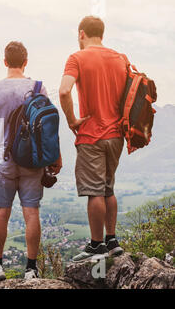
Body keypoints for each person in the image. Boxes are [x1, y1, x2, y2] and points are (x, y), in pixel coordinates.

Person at [0, 41, 62, 281]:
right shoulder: (38, 88)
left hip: (3, 161)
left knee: (1, 214)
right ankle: (31, 269)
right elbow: (49, 128)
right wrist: (55, 156)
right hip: (32, 161)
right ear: (26, 62)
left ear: (4, 61)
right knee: (31, 213)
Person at [59, 16, 126, 262]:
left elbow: (65, 90)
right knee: (109, 188)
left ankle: (97, 246)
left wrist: (71, 119)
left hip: (91, 134)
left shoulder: (77, 58)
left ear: (81, 34)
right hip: (116, 135)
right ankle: (112, 240)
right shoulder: (120, 59)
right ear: (103, 34)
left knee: (94, 192)